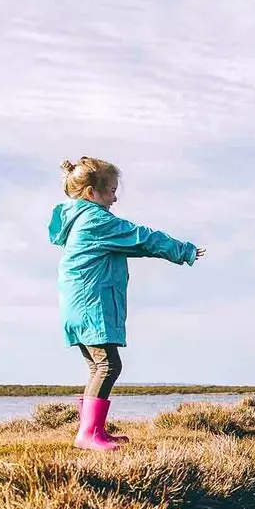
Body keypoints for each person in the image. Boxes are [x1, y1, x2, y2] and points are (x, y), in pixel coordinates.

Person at [49, 157, 205, 451]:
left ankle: (94, 431)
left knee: (97, 366)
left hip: (77, 305)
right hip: (91, 303)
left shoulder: (79, 220)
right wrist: (184, 250)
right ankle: (88, 434)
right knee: (108, 365)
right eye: (109, 190)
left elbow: (135, 246)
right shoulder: (96, 220)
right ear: (91, 193)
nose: (114, 196)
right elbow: (140, 238)